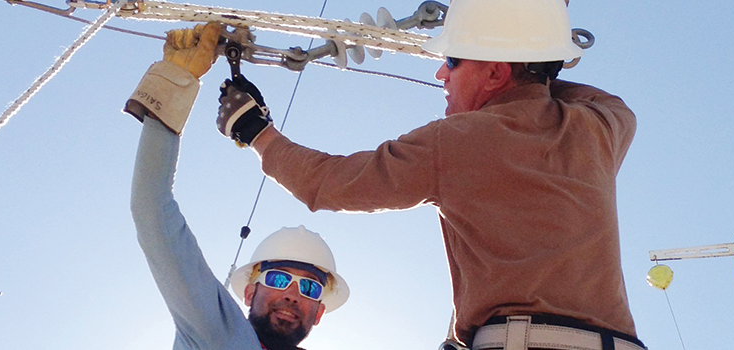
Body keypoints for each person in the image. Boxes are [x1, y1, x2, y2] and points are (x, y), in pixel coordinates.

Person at [215, 0, 646, 349]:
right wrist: (536, 44)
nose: (440, 72)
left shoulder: (457, 141)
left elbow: (329, 183)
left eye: (454, 60)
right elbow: (555, 87)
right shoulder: (604, 125)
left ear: (497, 72)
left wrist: (256, 132)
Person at [124, 23, 349, 350]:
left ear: (319, 313)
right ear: (249, 292)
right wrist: (174, 81)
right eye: (278, 279)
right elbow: (152, 212)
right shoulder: (215, 332)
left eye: (310, 289)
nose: (291, 294)